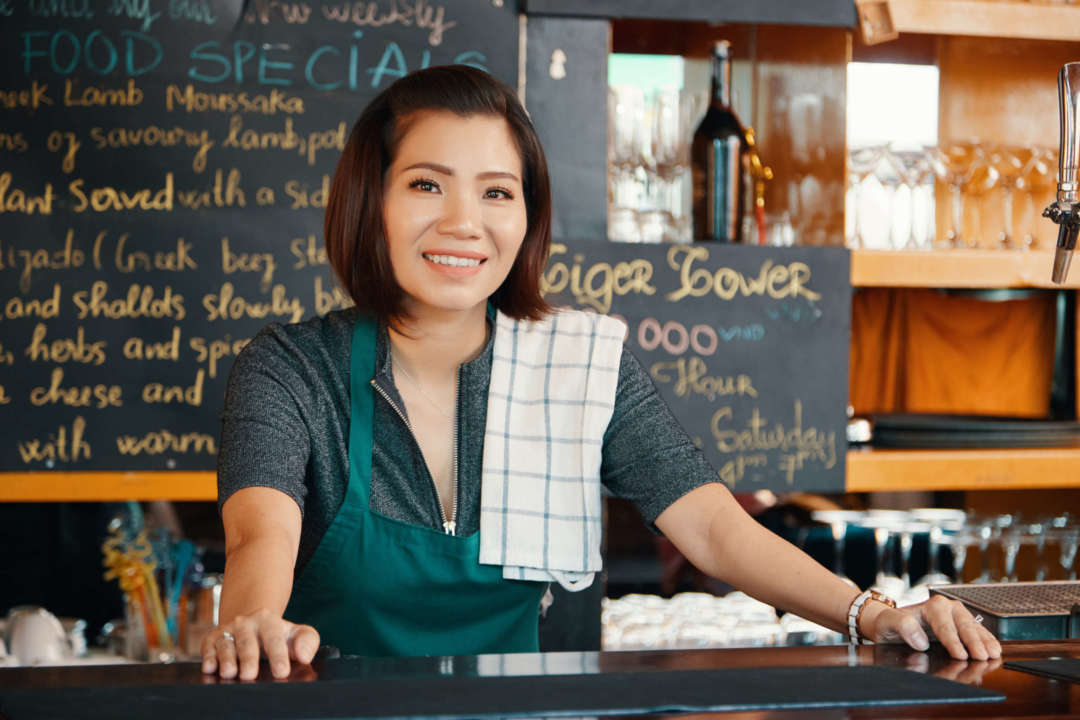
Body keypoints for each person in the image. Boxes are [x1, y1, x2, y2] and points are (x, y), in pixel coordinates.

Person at [202, 65, 1000, 681]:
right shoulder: (288, 370)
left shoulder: (582, 363)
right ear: (367, 201)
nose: (462, 223)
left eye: (497, 192)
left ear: (527, 217)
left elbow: (714, 529)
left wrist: (871, 613)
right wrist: (252, 623)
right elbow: (258, 531)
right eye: (425, 185)